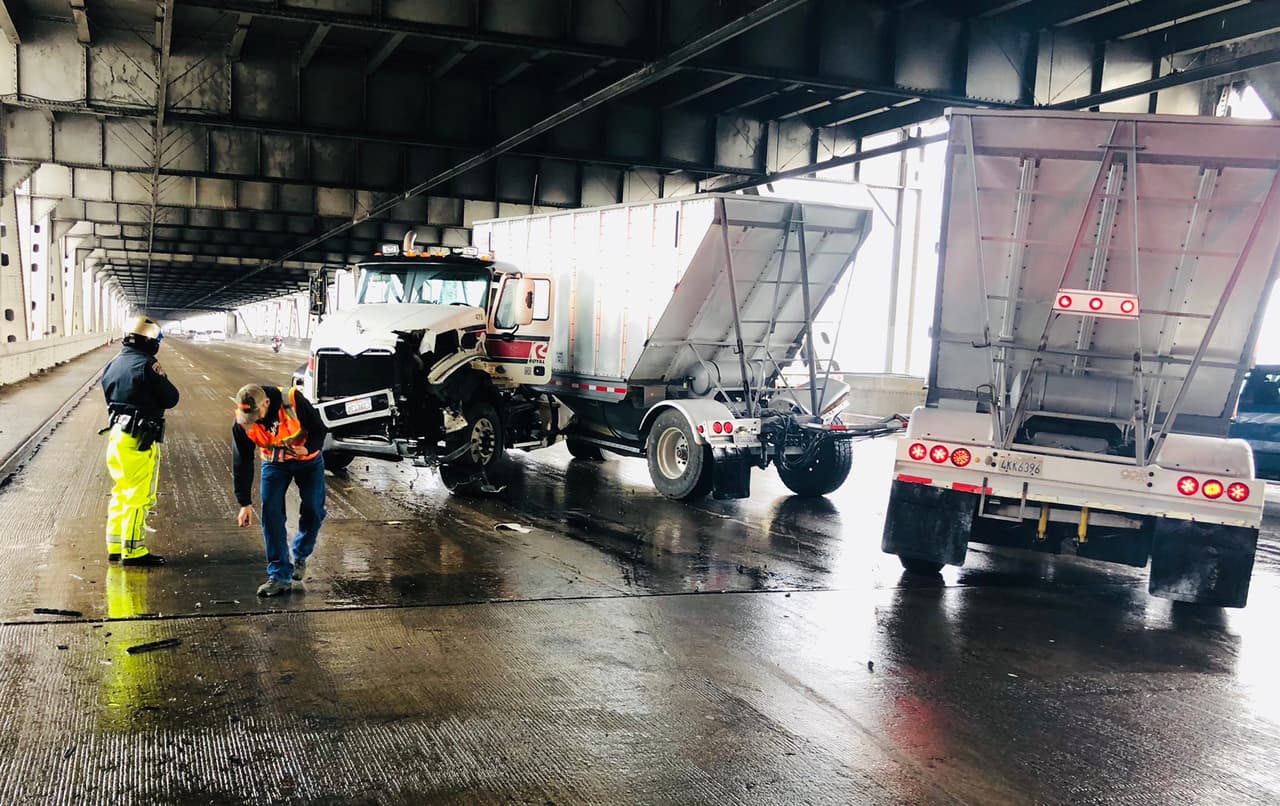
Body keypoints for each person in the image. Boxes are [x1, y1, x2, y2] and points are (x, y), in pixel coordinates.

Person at [232, 383, 328, 597]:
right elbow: (242, 461)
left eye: (256, 415)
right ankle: (279, 576)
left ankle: (300, 554)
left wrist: (307, 449)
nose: (253, 421)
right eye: (248, 417)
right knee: (271, 515)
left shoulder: (292, 400)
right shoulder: (242, 422)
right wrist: (244, 503)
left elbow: (320, 430)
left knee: (314, 510)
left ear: (266, 403)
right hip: (274, 464)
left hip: (308, 462)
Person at [101, 314, 180, 566]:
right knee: (138, 495)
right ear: (150, 341)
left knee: (121, 491)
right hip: (139, 437)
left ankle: (116, 545)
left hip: (117, 434)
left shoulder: (113, 363)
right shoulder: (147, 365)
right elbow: (171, 398)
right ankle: (133, 550)